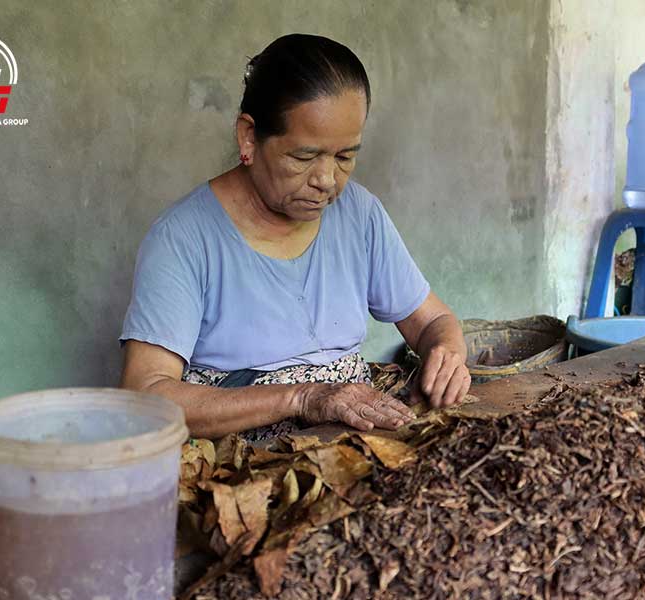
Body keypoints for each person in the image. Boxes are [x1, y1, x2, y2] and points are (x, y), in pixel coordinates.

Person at [119, 34, 471, 440]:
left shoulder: (359, 213)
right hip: (243, 466)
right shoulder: (183, 238)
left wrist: (446, 351)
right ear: (249, 137)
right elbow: (146, 397)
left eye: (345, 157)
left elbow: (433, 320)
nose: (326, 180)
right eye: (304, 157)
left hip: (349, 437)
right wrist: (302, 398)